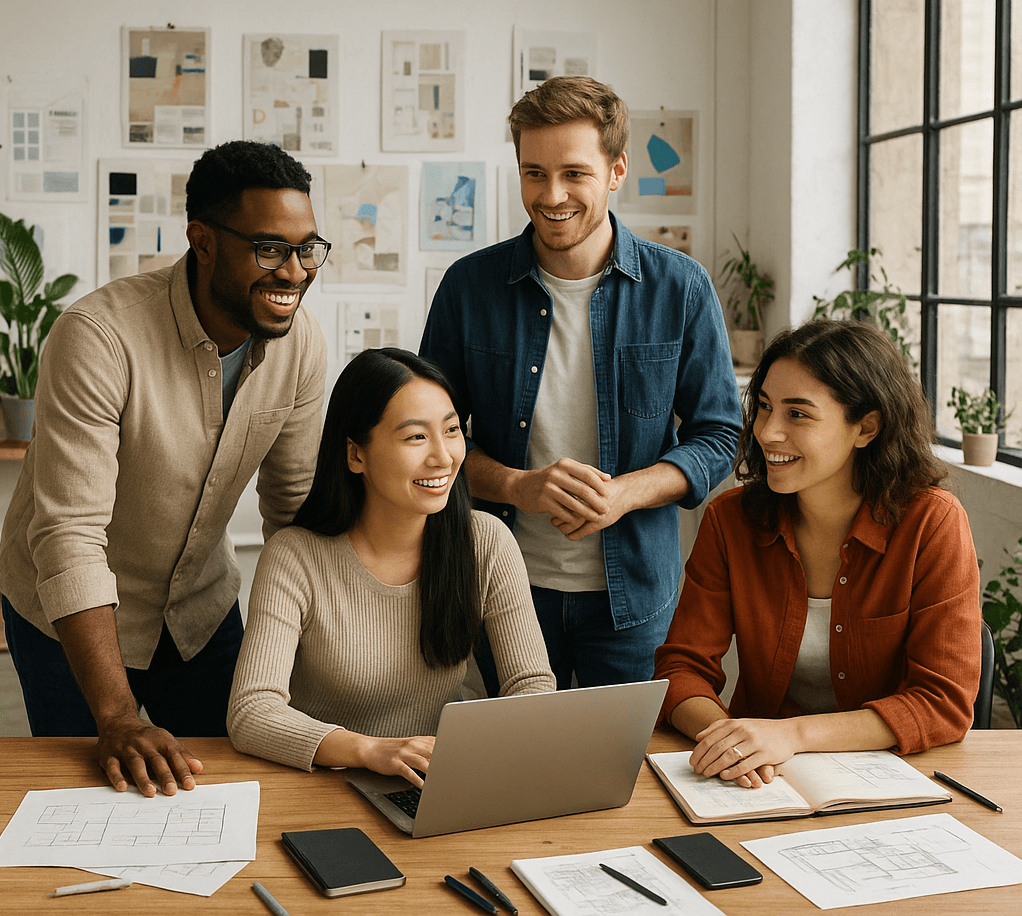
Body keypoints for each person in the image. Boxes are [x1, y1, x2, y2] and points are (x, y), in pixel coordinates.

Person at [0, 140, 328, 797]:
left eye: (306, 248)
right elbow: (69, 538)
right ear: (203, 241)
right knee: (87, 799)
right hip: (68, 621)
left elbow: (294, 511)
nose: (293, 272)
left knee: (237, 784)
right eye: (269, 248)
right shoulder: (98, 335)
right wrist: (116, 716)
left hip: (198, 611)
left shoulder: (302, 346)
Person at [419, 76, 741, 691]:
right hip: (501, 588)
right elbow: (429, 440)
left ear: (617, 170)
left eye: (574, 173)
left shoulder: (682, 288)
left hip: (634, 603)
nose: (551, 195)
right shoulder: (467, 288)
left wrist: (625, 494)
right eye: (533, 173)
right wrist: (520, 485)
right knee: (512, 774)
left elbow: (719, 435)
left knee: (624, 782)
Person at [654, 317, 982, 788]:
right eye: (764, 407)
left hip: (891, 781)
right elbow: (682, 669)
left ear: (866, 428)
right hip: (760, 780)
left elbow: (942, 702)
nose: (767, 433)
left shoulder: (932, 523)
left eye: (798, 414)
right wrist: (730, 741)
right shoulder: (731, 521)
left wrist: (792, 735)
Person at [227, 348, 554, 781]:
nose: (443, 456)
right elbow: (252, 711)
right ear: (355, 454)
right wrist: (369, 750)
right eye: (416, 437)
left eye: (452, 430)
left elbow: (531, 682)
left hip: (431, 781)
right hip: (321, 784)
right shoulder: (295, 556)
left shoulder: (487, 541)